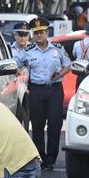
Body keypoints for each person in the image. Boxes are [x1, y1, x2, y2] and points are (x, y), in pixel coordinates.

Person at [15, 17, 71, 170]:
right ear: (33, 34)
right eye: (36, 32)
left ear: (47, 32)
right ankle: (40, 156)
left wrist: (59, 74)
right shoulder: (27, 51)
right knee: (37, 125)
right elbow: (15, 64)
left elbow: (68, 65)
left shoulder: (57, 48)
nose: (39, 35)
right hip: (36, 90)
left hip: (54, 89)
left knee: (55, 124)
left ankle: (51, 159)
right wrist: (19, 73)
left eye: (42, 32)